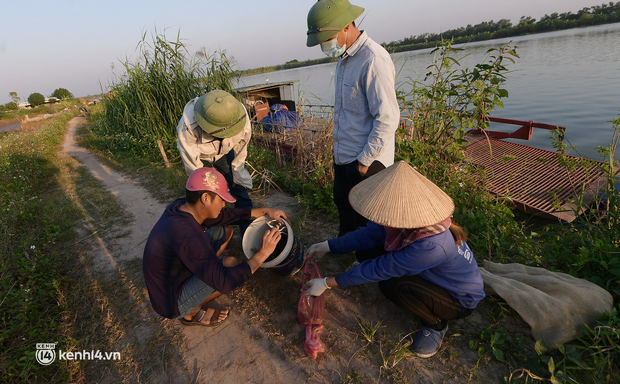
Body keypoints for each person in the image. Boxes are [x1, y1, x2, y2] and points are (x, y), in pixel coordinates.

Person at [302, 161, 485, 358]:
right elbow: (369, 235)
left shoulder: (432, 245)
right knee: (371, 250)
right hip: (432, 274)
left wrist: (327, 283)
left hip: (458, 299)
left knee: (392, 284)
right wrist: (328, 245)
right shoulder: (409, 216)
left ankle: (437, 325)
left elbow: (381, 268)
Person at [143, 167, 289, 326]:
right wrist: (263, 253)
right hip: (171, 301)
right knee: (230, 265)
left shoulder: (181, 207)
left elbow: (227, 216)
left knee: (224, 231)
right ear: (205, 198)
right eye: (221, 199)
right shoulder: (189, 236)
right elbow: (225, 282)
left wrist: (266, 211)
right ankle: (190, 311)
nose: (224, 203)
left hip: (171, 276)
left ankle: (206, 271)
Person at [306, 0, 400, 236]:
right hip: (344, 158)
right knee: (345, 210)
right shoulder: (344, 58)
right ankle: (347, 258)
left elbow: (388, 118)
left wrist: (364, 161)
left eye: (327, 38)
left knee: (368, 223)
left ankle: (368, 270)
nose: (324, 45)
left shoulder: (373, 59)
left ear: (347, 26)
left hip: (367, 162)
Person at [177, 90, 253, 233]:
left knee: (240, 188)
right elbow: (192, 162)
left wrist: (237, 174)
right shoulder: (188, 126)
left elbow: (241, 147)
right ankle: (212, 233)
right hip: (201, 157)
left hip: (225, 152)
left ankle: (248, 231)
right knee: (207, 198)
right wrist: (207, 187)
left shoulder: (238, 114)